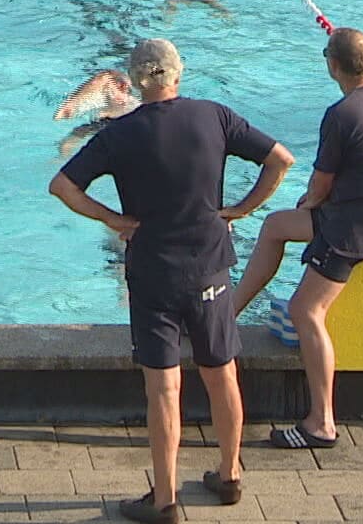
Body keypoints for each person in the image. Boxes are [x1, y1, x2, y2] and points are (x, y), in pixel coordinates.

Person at [49, 39, 296, 524]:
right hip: (209, 267)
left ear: (136, 82)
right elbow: (281, 160)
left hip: (153, 272)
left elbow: (62, 186)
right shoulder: (214, 116)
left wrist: (113, 220)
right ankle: (229, 477)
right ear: (177, 75)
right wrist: (245, 209)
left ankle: (164, 500)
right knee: (221, 370)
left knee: (163, 390)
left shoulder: (120, 134)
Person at [228, 28, 363, 451]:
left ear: (332, 64)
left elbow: (320, 184)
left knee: (305, 310)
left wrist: (310, 203)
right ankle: (231, 311)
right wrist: (312, 206)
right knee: (275, 225)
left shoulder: (342, 113)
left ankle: (320, 422)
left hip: (355, 228)